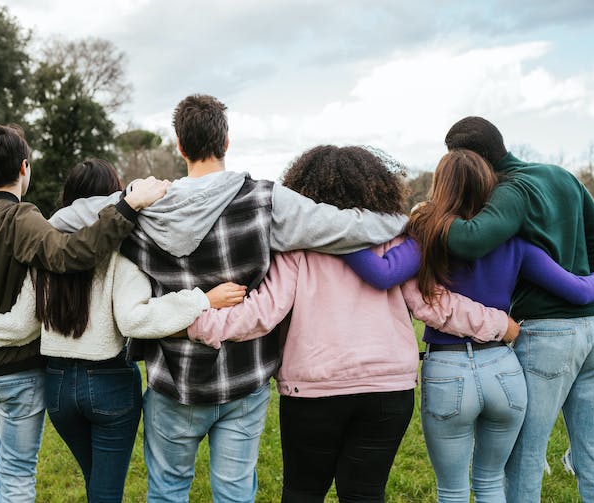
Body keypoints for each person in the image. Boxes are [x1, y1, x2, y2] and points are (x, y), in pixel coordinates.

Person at [48, 95, 409, 502]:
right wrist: (409, 220)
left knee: (167, 492)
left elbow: (61, 220)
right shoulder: (266, 201)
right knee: (235, 494)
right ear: (227, 142)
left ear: (181, 146)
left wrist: (128, 201)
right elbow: (347, 227)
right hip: (243, 377)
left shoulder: (144, 207)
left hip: (173, 378)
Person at [186, 145, 527, 502]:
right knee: (365, 494)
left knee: (303, 492)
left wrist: (192, 323)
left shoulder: (297, 245)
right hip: (387, 390)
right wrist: (499, 324)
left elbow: (261, 313)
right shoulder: (394, 240)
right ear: (378, 185)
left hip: (314, 390)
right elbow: (434, 305)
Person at [0, 159, 247, 503]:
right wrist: (201, 299)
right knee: (105, 493)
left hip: (58, 389)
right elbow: (134, 320)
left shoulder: (45, 247)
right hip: (109, 383)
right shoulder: (122, 246)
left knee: (96, 485)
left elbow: (19, 326)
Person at [344, 149, 594, 502]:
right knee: (490, 482)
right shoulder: (515, 242)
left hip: (448, 370)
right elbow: (576, 290)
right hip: (503, 370)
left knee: (452, 488)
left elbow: (382, 273)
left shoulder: (425, 234)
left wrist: (336, 236)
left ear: (439, 186)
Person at [0, 125, 168, 503]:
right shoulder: (22, 218)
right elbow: (69, 256)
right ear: (24, 168)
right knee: (18, 474)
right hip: (19, 372)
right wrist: (126, 207)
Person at [443, 117, 594, 502]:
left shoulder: (512, 189)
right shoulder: (562, 175)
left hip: (547, 336)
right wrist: (584, 290)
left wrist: (428, 213)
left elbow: (470, 241)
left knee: (521, 459)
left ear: (469, 159)